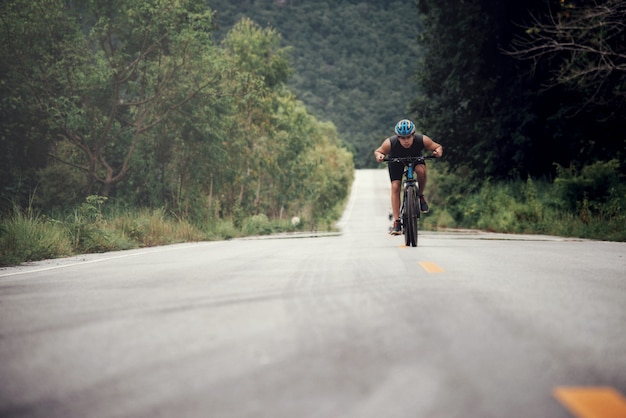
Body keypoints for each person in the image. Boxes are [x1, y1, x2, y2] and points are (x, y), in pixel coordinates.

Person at [374, 119, 443, 235]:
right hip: (396, 161)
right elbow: (378, 151)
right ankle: (396, 222)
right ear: (397, 137)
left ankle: (420, 195)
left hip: (415, 159)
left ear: (413, 135)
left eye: (408, 137)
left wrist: (437, 152)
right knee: (395, 186)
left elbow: (437, 147)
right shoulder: (390, 143)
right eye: (402, 138)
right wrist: (380, 156)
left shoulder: (422, 139)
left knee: (421, 171)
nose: (406, 141)